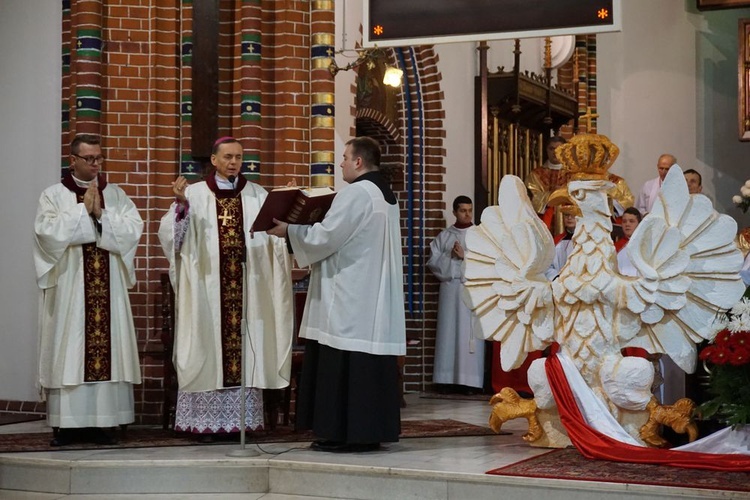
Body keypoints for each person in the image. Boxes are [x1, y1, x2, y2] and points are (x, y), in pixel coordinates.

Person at [267, 136, 405, 453]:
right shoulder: (384, 194)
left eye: (344, 157)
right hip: (371, 294)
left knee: (342, 363)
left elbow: (327, 237)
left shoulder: (356, 193)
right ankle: (367, 431)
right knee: (365, 366)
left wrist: (288, 230)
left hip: (348, 295)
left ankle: (343, 433)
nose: (341, 162)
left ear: (358, 162)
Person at [158, 136, 293, 439]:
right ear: (214, 161)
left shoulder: (258, 195)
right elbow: (171, 239)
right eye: (228, 157)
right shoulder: (193, 194)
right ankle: (202, 423)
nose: (234, 163)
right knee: (205, 348)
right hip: (206, 292)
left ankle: (240, 423)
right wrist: (180, 207)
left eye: (239, 157)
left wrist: (288, 203)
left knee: (244, 349)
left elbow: (276, 237)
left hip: (248, 292)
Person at [33, 134, 144, 446]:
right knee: (71, 349)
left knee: (105, 348)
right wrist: (83, 212)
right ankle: (67, 425)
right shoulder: (53, 195)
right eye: (89, 158)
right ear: (73, 161)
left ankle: (102, 423)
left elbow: (133, 230)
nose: (96, 164)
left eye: (99, 158)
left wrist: (100, 215)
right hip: (71, 287)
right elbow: (45, 234)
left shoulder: (116, 194)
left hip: (108, 287)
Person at [427, 195, 484, 393]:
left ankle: (470, 382)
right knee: (448, 333)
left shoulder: (480, 235)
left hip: (471, 290)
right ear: (454, 212)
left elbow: (489, 263)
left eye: (470, 210)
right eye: (463, 210)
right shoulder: (444, 236)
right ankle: (446, 379)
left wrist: (464, 257)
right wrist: (450, 257)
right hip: (450, 291)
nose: (467, 214)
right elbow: (433, 264)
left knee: (469, 337)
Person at [545, 209, 577, 281]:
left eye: (573, 215)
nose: (569, 218)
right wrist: (557, 277)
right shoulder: (557, 241)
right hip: (560, 284)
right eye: (566, 215)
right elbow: (547, 266)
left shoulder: (586, 241)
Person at [615, 207, 642, 277]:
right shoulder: (615, 247)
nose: (627, 224)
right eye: (624, 221)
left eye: (631, 221)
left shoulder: (645, 245)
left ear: (639, 224)